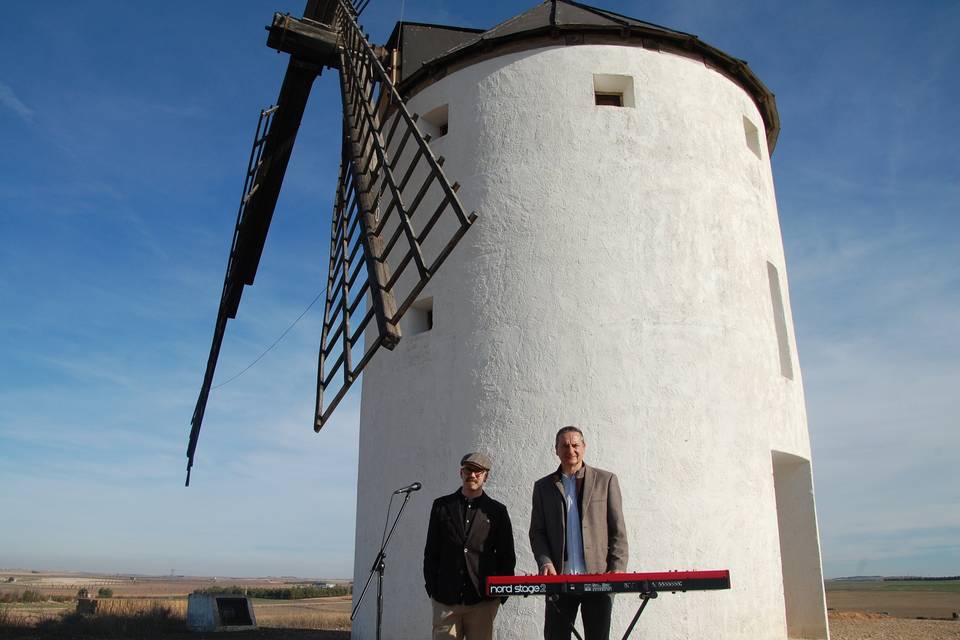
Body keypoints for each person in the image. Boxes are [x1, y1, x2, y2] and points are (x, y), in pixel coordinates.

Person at [529, 426, 628, 640]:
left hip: (599, 579)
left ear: (584, 447)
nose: (570, 450)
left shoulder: (606, 480)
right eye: (564, 445)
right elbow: (537, 532)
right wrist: (545, 562)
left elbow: (617, 529)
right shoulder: (543, 487)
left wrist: (618, 568)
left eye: (575, 445)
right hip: (559, 581)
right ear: (556, 449)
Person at [424, 452, 516, 639]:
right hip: (446, 600)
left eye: (478, 471)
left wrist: (499, 596)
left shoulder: (497, 511)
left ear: (485, 476)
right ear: (461, 472)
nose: (472, 475)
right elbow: (431, 551)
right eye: (468, 470)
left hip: (483, 601)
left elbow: (507, 556)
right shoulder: (441, 506)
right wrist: (433, 590)